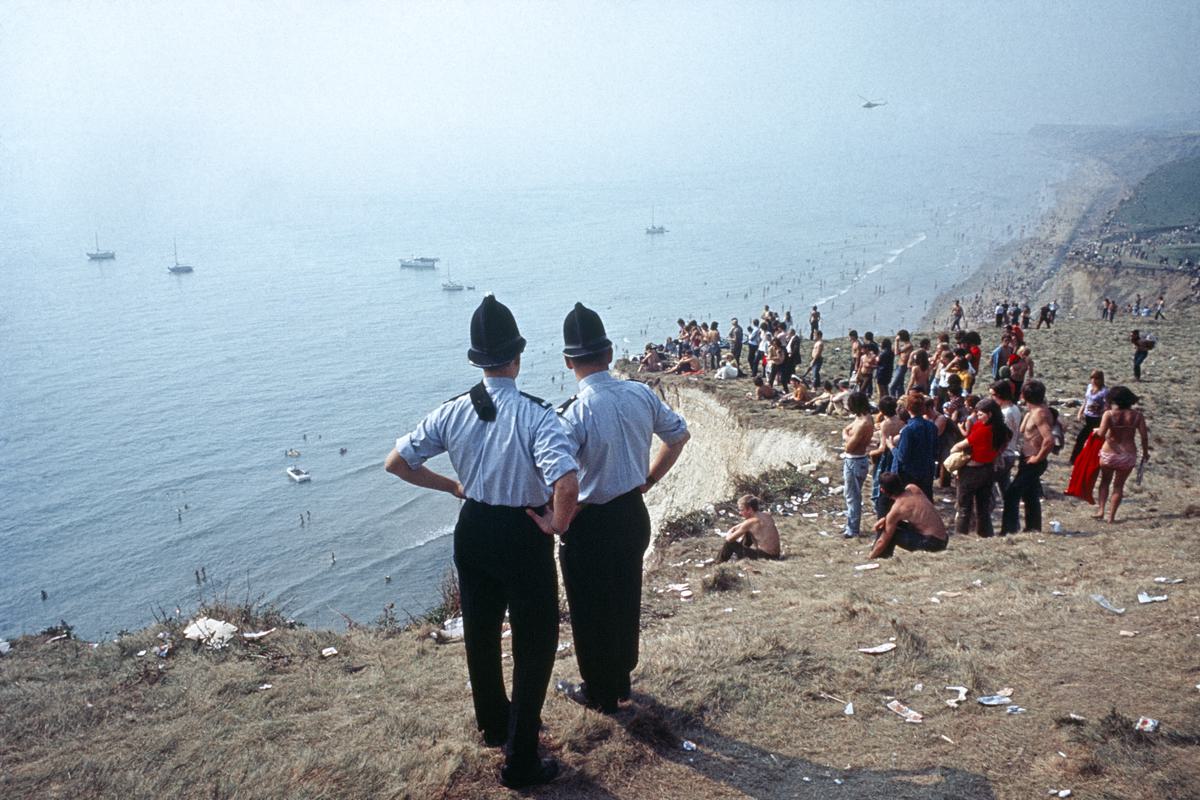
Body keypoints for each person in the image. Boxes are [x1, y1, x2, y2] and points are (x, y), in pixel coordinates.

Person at [385, 294, 578, 789]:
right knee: (535, 643)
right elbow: (565, 482)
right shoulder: (538, 416)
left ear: (477, 361)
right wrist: (556, 525)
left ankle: (494, 723)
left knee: (482, 632)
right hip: (521, 530)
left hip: (472, 530)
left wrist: (452, 485)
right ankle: (521, 760)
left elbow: (397, 463)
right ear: (516, 358)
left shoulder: (452, 411)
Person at [548, 303, 690, 715]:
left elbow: (561, 478)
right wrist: (649, 478)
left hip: (590, 521)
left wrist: (557, 519)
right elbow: (678, 436)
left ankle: (599, 690)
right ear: (608, 354)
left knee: (588, 606)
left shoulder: (573, 415)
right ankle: (622, 679)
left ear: (567, 362)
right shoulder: (640, 393)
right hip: (632, 512)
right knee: (625, 595)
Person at [948, 398, 1008, 537]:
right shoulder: (1002, 430)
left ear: (990, 414)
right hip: (988, 469)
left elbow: (959, 445)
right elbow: (1003, 445)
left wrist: (954, 454)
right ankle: (985, 534)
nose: (978, 417)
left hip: (971, 470)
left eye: (980, 414)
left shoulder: (983, 430)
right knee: (983, 507)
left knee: (964, 507)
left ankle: (961, 535)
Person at [1001, 380, 1053, 534]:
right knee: (1030, 494)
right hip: (1026, 459)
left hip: (1033, 461)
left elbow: (1049, 440)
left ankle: (1009, 530)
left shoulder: (1039, 414)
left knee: (1012, 493)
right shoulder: (1033, 411)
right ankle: (1032, 527)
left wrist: (1038, 458)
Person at [1094, 385, 1150, 522]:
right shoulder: (1137, 416)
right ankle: (1111, 517)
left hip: (1109, 453)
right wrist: (1145, 452)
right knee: (1118, 486)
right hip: (1128, 454)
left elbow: (1101, 434)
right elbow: (1144, 436)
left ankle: (1100, 509)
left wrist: (1095, 431)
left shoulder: (1109, 414)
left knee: (1105, 482)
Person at [869, 472, 949, 559]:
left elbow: (882, 541)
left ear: (882, 490)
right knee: (891, 524)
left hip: (932, 543)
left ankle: (882, 557)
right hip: (943, 538)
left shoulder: (897, 509)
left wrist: (870, 557)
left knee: (892, 533)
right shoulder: (913, 488)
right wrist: (885, 520)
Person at [890, 393, 937, 500]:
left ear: (908, 409)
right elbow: (935, 451)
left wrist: (892, 447)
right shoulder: (932, 426)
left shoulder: (908, 430)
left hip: (910, 474)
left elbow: (902, 456)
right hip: (927, 471)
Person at [840, 391, 874, 538]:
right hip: (855, 460)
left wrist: (846, 437)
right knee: (850, 494)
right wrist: (847, 436)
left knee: (853, 496)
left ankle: (852, 529)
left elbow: (849, 446)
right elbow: (846, 430)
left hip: (855, 460)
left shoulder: (863, 423)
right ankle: (850, 524)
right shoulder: (861, 418)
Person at [717, 494, 781, 562]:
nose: (740, 513)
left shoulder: (750, 523)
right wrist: (736, 527)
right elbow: (744, 524)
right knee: (749, 531)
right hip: (776, 555)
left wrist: (730, 531)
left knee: (729, 544)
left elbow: (729, 539)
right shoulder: (766, 515)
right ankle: (741, 553)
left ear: (749, 509)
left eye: (742, 510)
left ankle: (718, 562)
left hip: (765, 557)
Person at [870, 395, 902, 517]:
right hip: (896, 453)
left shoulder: (885, 424)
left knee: (880, 482)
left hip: (887, 456)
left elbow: (883, 447)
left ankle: (880, 507)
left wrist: (870, 453)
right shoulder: (901, 422)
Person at [1069, 370, 1107, 464]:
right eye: (1092, 378)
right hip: (1087, 416)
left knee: (1093, 441)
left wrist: (1098, 409)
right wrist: (1080, 412)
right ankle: (1075, 459)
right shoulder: (1089, 387)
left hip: (1096, 418)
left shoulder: (1104, 392)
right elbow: (1086, 401)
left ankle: (1090, 460)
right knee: (1080, 439)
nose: (1093, 380)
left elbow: (1107, 407)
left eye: (1096, 378)